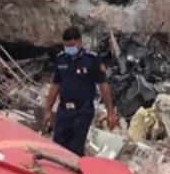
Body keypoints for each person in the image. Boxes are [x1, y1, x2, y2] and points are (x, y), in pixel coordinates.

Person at [43, 27, 118, 156]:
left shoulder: (91, 59)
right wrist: (48, 110)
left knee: (75, 148)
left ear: (80, 42)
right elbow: (55, 85)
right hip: (64, 110)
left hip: (83, 111)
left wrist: (110, 112)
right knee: (58, 146)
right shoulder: (61, 59)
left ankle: (75, 167)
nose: (69, 49)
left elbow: (103, 85)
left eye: (72, 45)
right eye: (66, 46)